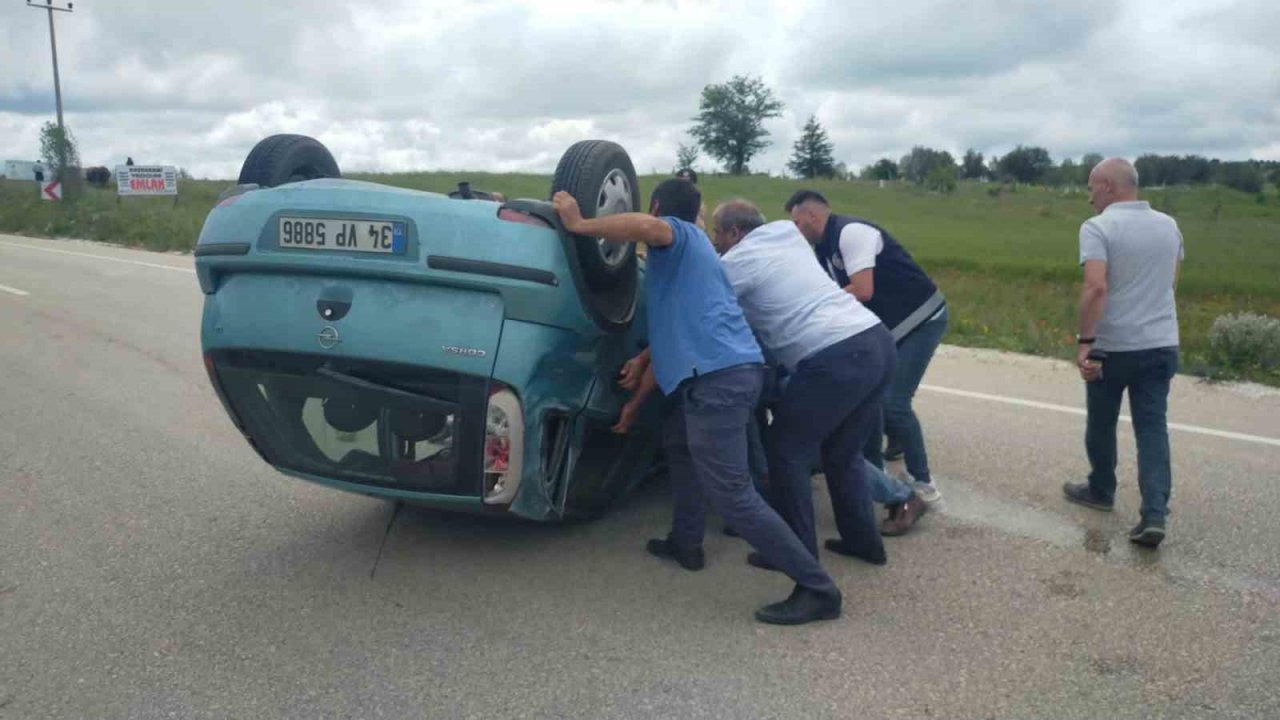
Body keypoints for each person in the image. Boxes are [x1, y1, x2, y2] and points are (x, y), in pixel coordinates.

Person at [552, 179, 843, 625]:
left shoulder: (679, 234)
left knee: (734, 496)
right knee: (680, 446)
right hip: (715, 377)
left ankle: (818, 588)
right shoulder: (694, 256)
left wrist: (579, 224)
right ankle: (686, 542)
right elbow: (678, 332)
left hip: (718, 381)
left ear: (656, 207)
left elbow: (648, 228)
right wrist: (639, 380)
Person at [710, 198, 898, 567]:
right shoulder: (785, 232)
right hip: (876, 341)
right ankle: (863, 542)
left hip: (835, 357)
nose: (714, 240)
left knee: (785, 451)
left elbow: (706, 306)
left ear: (734, 232)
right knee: (842, 453)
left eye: (717, 233)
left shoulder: (735, 264)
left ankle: (797, 559)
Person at [787, 191, 947, 508]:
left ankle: (924, 483)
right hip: (891, 327)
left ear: (812, 216)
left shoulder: (851, 233)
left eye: (796, 222)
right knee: (871, 398)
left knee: (894, 403)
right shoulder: (823, 248)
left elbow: (862, 290)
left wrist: (814, 304)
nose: (795, 230)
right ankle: (883, 459)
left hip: (921, 319)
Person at [1063, 158, 1183, 549]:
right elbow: (1171, 284)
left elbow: (1096, 287)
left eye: (1091, 188)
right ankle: (1154, 514)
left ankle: (1101, 489)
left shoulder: (1097, 227)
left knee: (1102, 421)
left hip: (1112, 346)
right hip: (1161, 343)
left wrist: (1086, 341)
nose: (1089, 197)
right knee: (1152, 428)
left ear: (1108, 186)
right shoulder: (1169, 226)